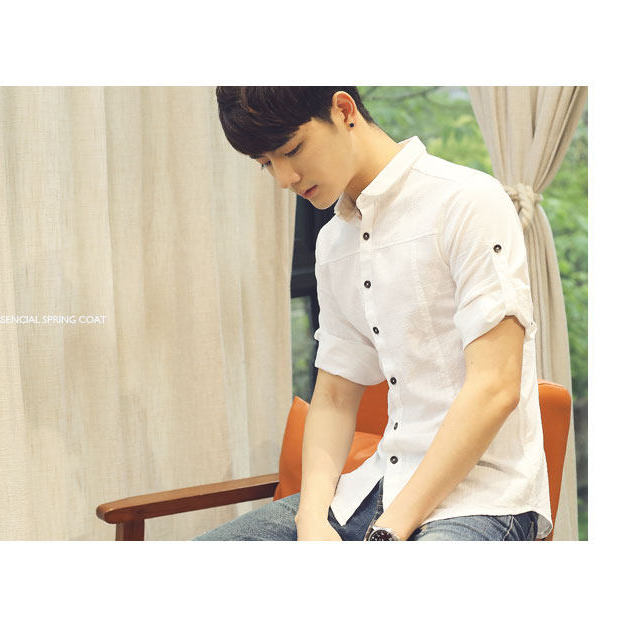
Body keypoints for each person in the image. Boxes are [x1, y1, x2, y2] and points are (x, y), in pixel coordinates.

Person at [193, 87, 552, 541]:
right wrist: (311, 520)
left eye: (292, 150)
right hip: (373, 489)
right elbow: (334, 397)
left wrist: (387, 532)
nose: (284, 178)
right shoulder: (333, 244)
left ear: (343, 110)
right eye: (266, 163)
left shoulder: (467, 200)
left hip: (482, 499)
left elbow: (495, 387)